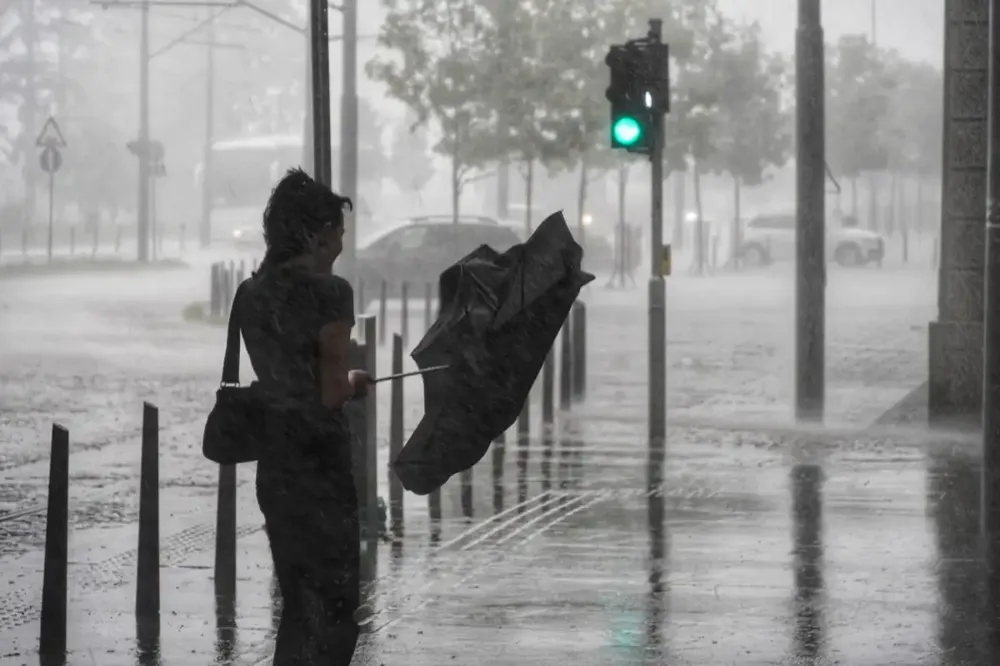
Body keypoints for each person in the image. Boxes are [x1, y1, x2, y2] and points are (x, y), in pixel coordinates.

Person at [238, 167, 370, 665]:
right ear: (316, 234)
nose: (339, 246)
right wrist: (358, 382)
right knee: (337, 607)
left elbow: (284, 376)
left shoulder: (252, 293)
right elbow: (333, 390)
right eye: (336, 234)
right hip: (321, 466)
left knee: (295, 605)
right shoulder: (330, 293)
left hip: (276, 465)